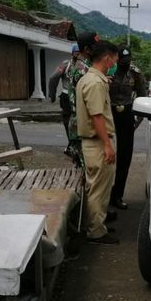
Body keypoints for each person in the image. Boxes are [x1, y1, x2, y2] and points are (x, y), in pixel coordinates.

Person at [76, 37, 120, 245]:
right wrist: (108, 145)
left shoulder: (90, 79)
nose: (114, 65)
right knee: (98, 190)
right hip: (98, 143)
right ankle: (95, 232)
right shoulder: (94, 82)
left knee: (98, 187)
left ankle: (96, 225)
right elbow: (97, 116)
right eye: (114, 60)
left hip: (95, 142)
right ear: (107, 58)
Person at [109, 45, 147, 210]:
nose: (125, 63)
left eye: (128, 60)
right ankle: (104, 196)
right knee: (105, 156)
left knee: (124, 158)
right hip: (108, 113)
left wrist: (136, 122)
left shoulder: (135, 73)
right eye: (122, 60)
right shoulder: (108, 71)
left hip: (126, 115)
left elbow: (143, 96)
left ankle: (117, 195)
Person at [66, 35, 97, 166]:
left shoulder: (86, 66)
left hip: (83, 126)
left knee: (86, 172)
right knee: (88, 170)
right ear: (87, 49)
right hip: (81, 126)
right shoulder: (81, 69)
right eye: (96, 47)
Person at [48, 43, 80, 155]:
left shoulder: (66, 64)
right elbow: (53, 78)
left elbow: (53, 78)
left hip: (67, 96)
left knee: (68, 121)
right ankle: (75, 146)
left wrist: (52, 95)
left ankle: (72, 145)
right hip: (78, 97)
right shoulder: (84, 65)